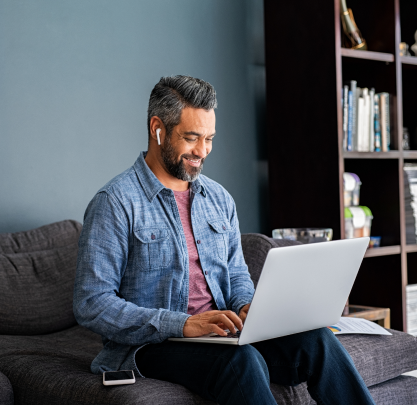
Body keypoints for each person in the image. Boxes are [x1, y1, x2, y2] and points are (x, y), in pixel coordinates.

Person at [73, 75, 375, 404]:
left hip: (220, 336)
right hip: (152, 346)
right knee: (238, 361)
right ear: (157, 128)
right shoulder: (115, 202)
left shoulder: (219, 199)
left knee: (317, 340)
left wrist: (247, 307)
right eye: (191, 138)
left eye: (209, 138)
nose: (202, 151)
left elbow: (235, 274)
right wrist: (183, 324)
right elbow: (92, 304)